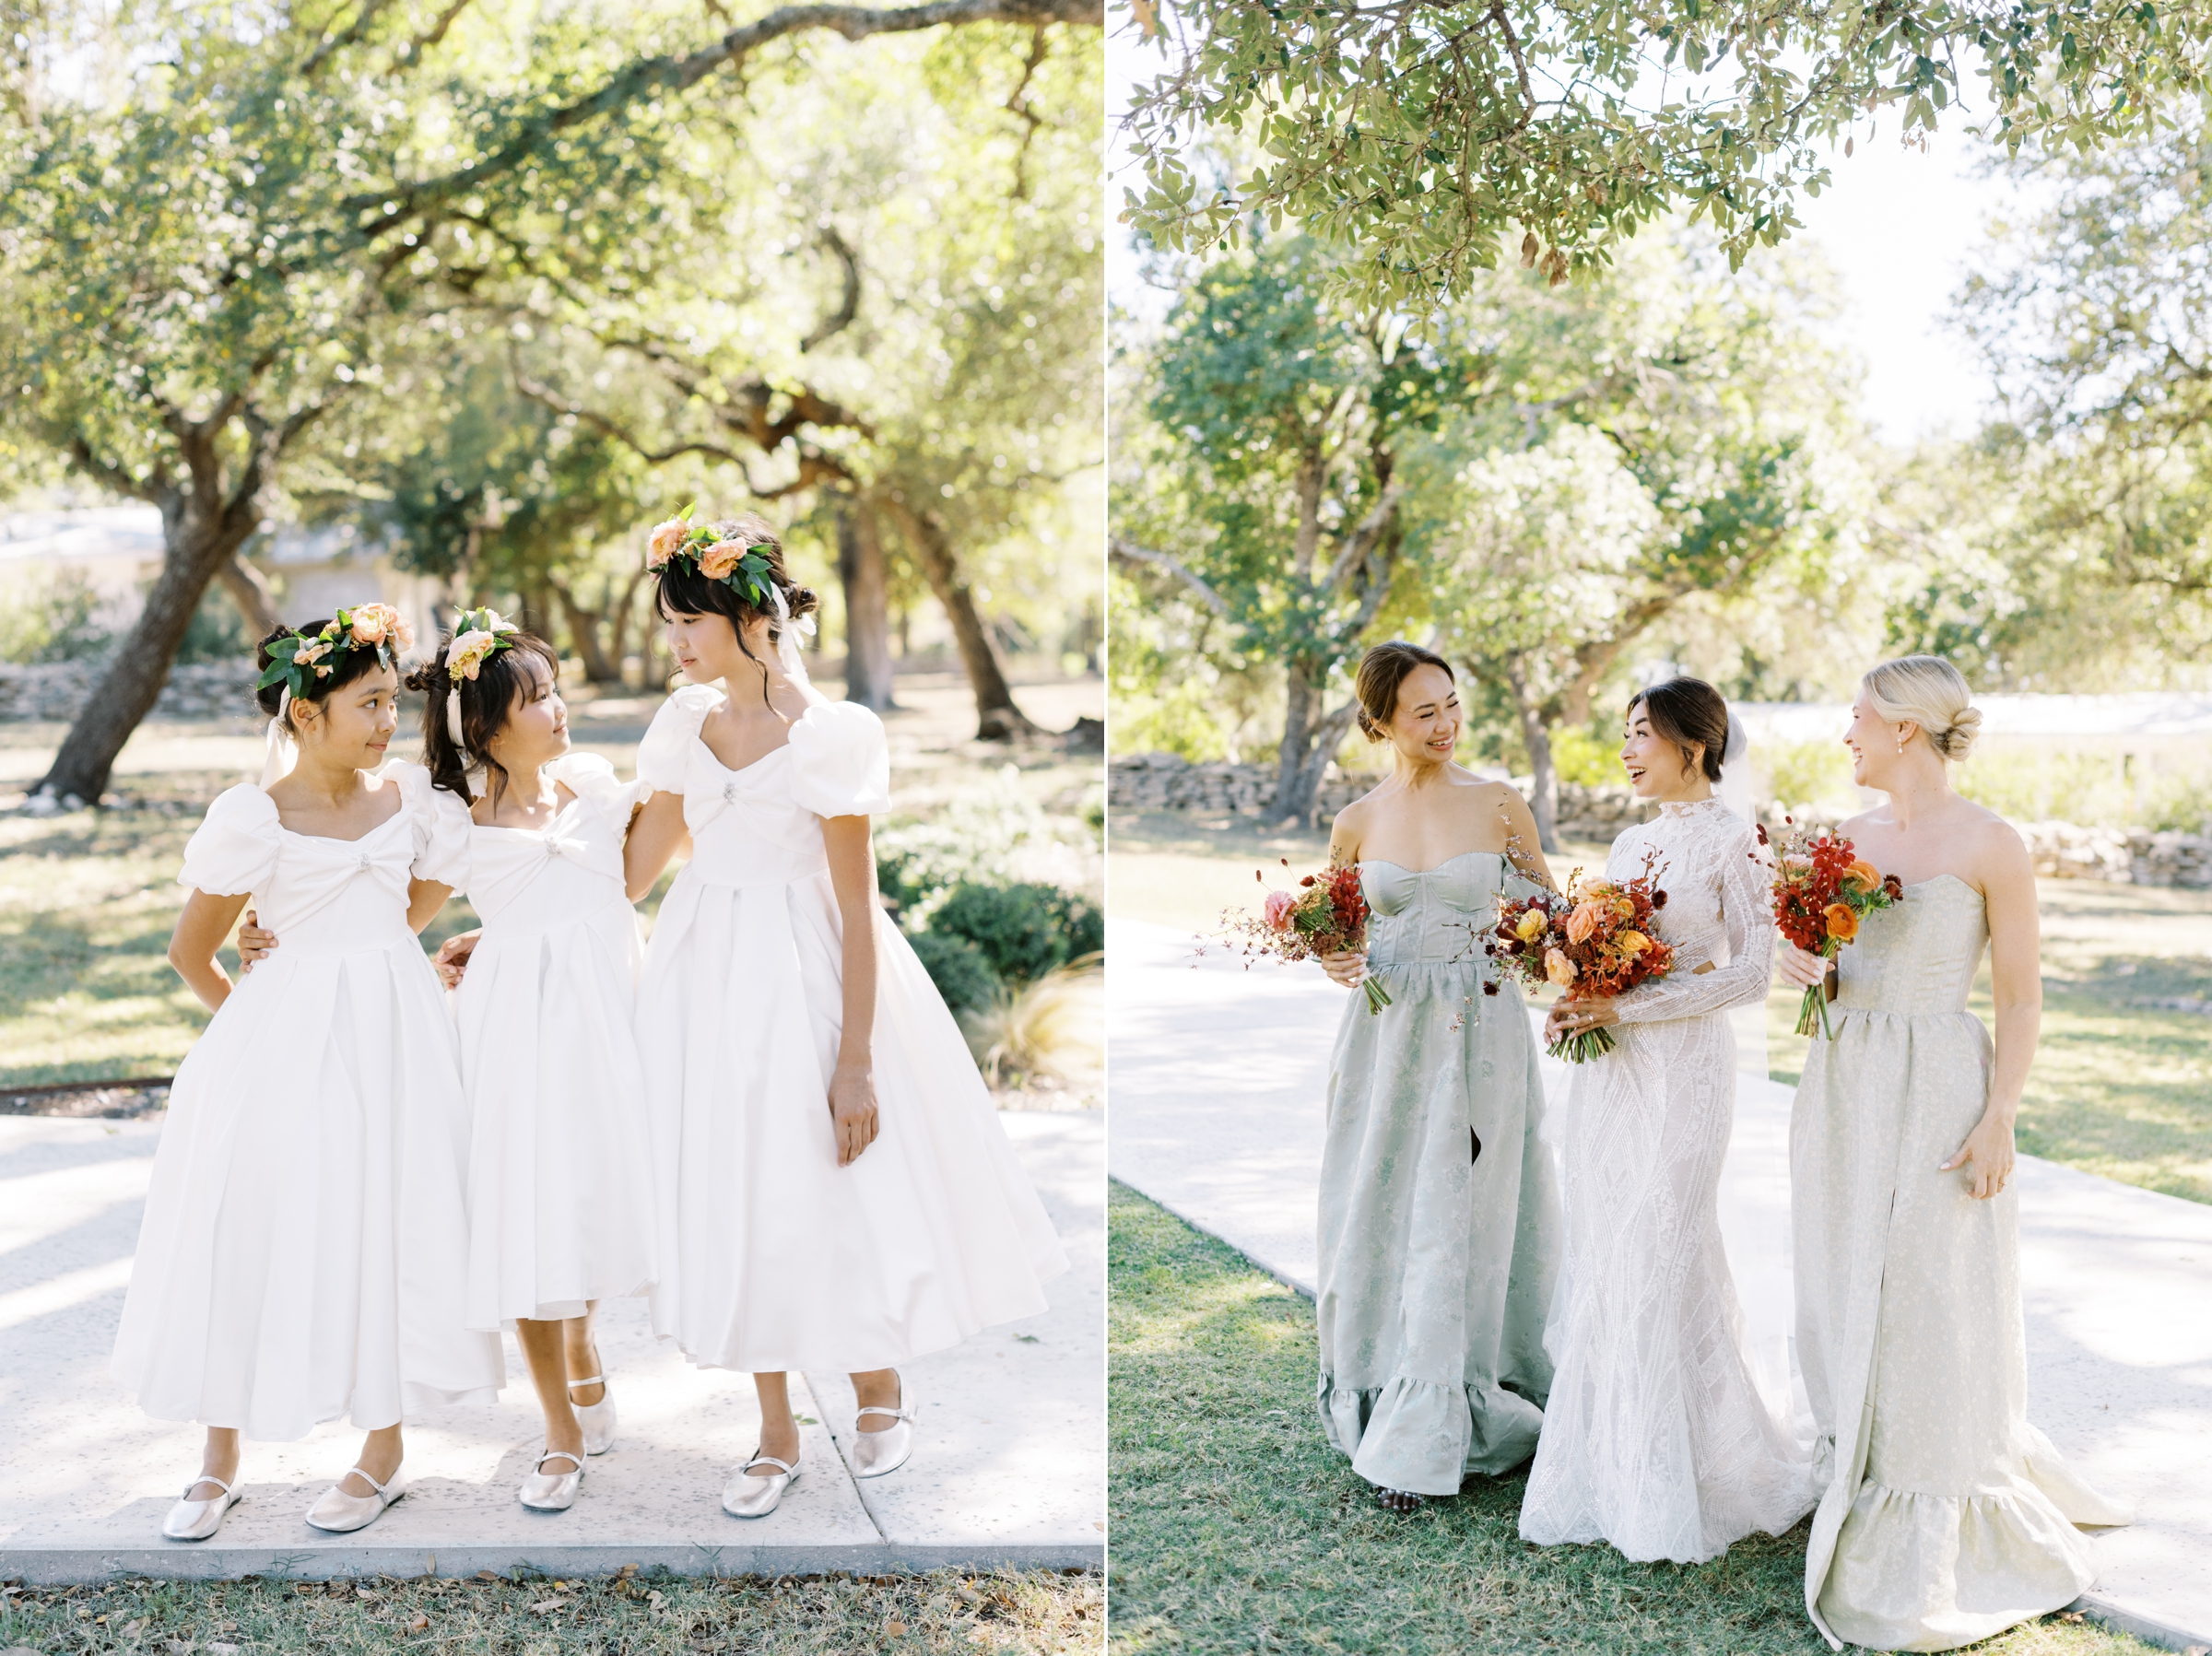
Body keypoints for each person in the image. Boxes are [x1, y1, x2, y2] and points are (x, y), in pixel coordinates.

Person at [623, 510, 1067, 1519]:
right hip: (702, 977)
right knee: (733, 1188)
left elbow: (856, 905)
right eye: (670, 621)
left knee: (833, 1178)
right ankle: (775, 1431)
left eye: (690, 619)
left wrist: (855, 1057)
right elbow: (634, 872)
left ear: (749, 615)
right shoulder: (682, 728)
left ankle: (877, 1385)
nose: (677, 642)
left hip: (809, 972)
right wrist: (511, 908)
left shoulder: (830, 737)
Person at [113, 607, 501, 1543]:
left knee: (385, 1219)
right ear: (305, 712)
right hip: (277, 1045)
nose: (382, 724)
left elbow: (401, 913)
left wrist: (382, 965)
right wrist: (260, 1018)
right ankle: (218, 1459)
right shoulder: (255, 818)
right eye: (365, 704)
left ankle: (381, 1451)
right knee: (248, 1224)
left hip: (393, 1036)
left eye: (387, 704)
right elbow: (191, 952)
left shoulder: (408, 802)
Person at [1778, 654, 2130, 1650]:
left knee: (1933, 1284)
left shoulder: (1992, 843)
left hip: (1940, 1078)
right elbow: (1839, 971)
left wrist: (2000, 1113)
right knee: (1846, 1274)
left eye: (1855, 718)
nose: (1844, 735)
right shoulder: (1841, 841)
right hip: (1846, 1081)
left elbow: (2020, 997)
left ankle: (1935, 1496)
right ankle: (1861, 1470)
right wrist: (1805, 964)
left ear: (1902, 727)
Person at [1518, 677, 1812, 1562]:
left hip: (1687, 1073)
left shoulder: (1738, 841)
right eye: (1623, 733)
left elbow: (1750, 974)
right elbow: (1607, 959)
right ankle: (1616, 1463)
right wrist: (1577, 993)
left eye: (1641, 732)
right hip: (1612, 1076)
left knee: (1660, 1245)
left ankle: (1696, 1474)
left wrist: (1627, 1009)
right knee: (1613, 1251)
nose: (1626, 748)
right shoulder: (1628, 839)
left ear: (1694, 741)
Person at [1312, 640, 1560, 1512]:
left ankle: (1458, 1405)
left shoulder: (1499, 806)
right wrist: (1330, 953)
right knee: (1383, 1206)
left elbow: (1550, 923)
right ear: (1380, 721)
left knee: (1464, 1209)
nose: (1446, 724)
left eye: (1452, 704)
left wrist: (1565, 964)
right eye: (1425, 711)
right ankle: (1389, 1397)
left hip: (1479, 1028)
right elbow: (1334, 931)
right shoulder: (1355, 820)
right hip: (1384, 1037)